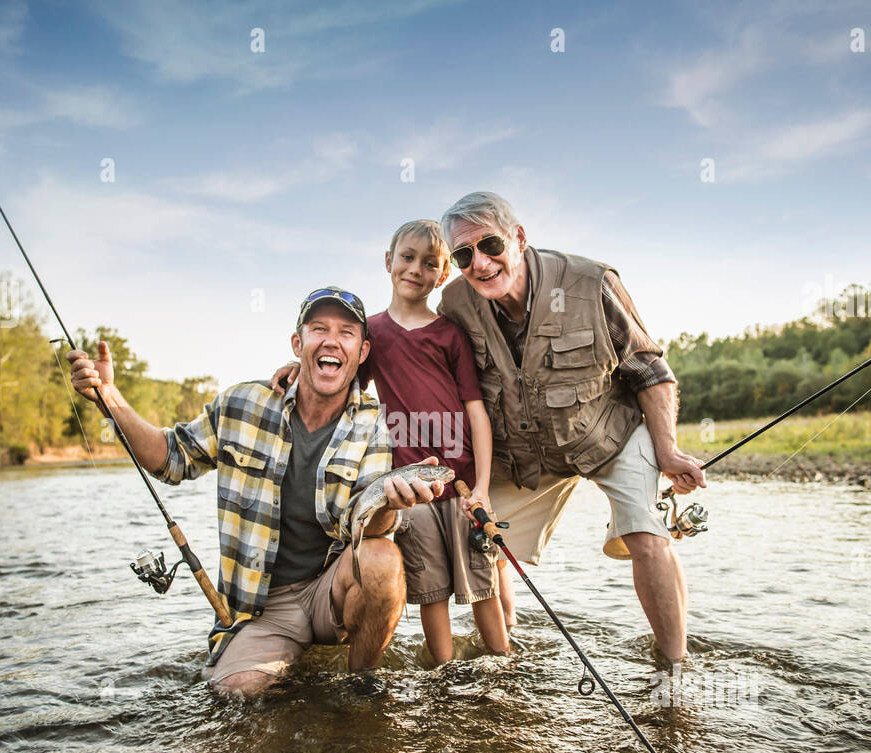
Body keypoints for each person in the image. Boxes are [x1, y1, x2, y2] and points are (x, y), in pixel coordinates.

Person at [67, 288, 447, 696]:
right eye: (319, 328)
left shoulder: (374, 425)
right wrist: (110, 399)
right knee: (237, 693)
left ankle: (360, 687)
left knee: (383, 560)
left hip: (329, 592)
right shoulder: (241, 402)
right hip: (261, 608)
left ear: (362, 350)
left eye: (346, 332)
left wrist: (390, 503)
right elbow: (170, 458)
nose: (332, 340)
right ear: (298, 344)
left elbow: (367, 528)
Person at [437, 191, 707, 662]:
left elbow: (650, 372)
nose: (480, 264)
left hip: (610, 436)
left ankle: (676, 665)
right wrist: (313, 368)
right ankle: (507, 660)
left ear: (518, 238)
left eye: (490, 246)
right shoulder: (454, 303)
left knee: (646, 534)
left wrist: (668, 450)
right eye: (463, 255)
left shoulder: (591, 282)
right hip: (519, 455)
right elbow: (411, 352)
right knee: (483, 540)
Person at [271, 221, 507, 664]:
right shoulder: (371, 335)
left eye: (430, 263)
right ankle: (442, 673)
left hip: (461, 485)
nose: (415, 269)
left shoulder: (450, 333)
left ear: (443, 276)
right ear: (388, 261)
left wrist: (483, 486)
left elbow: (477, 410)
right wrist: (295, 366)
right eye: (407, 257)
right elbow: (335, 377)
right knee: (430, 590)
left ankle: (502, 667)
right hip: (407, 492)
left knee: (484, 585)